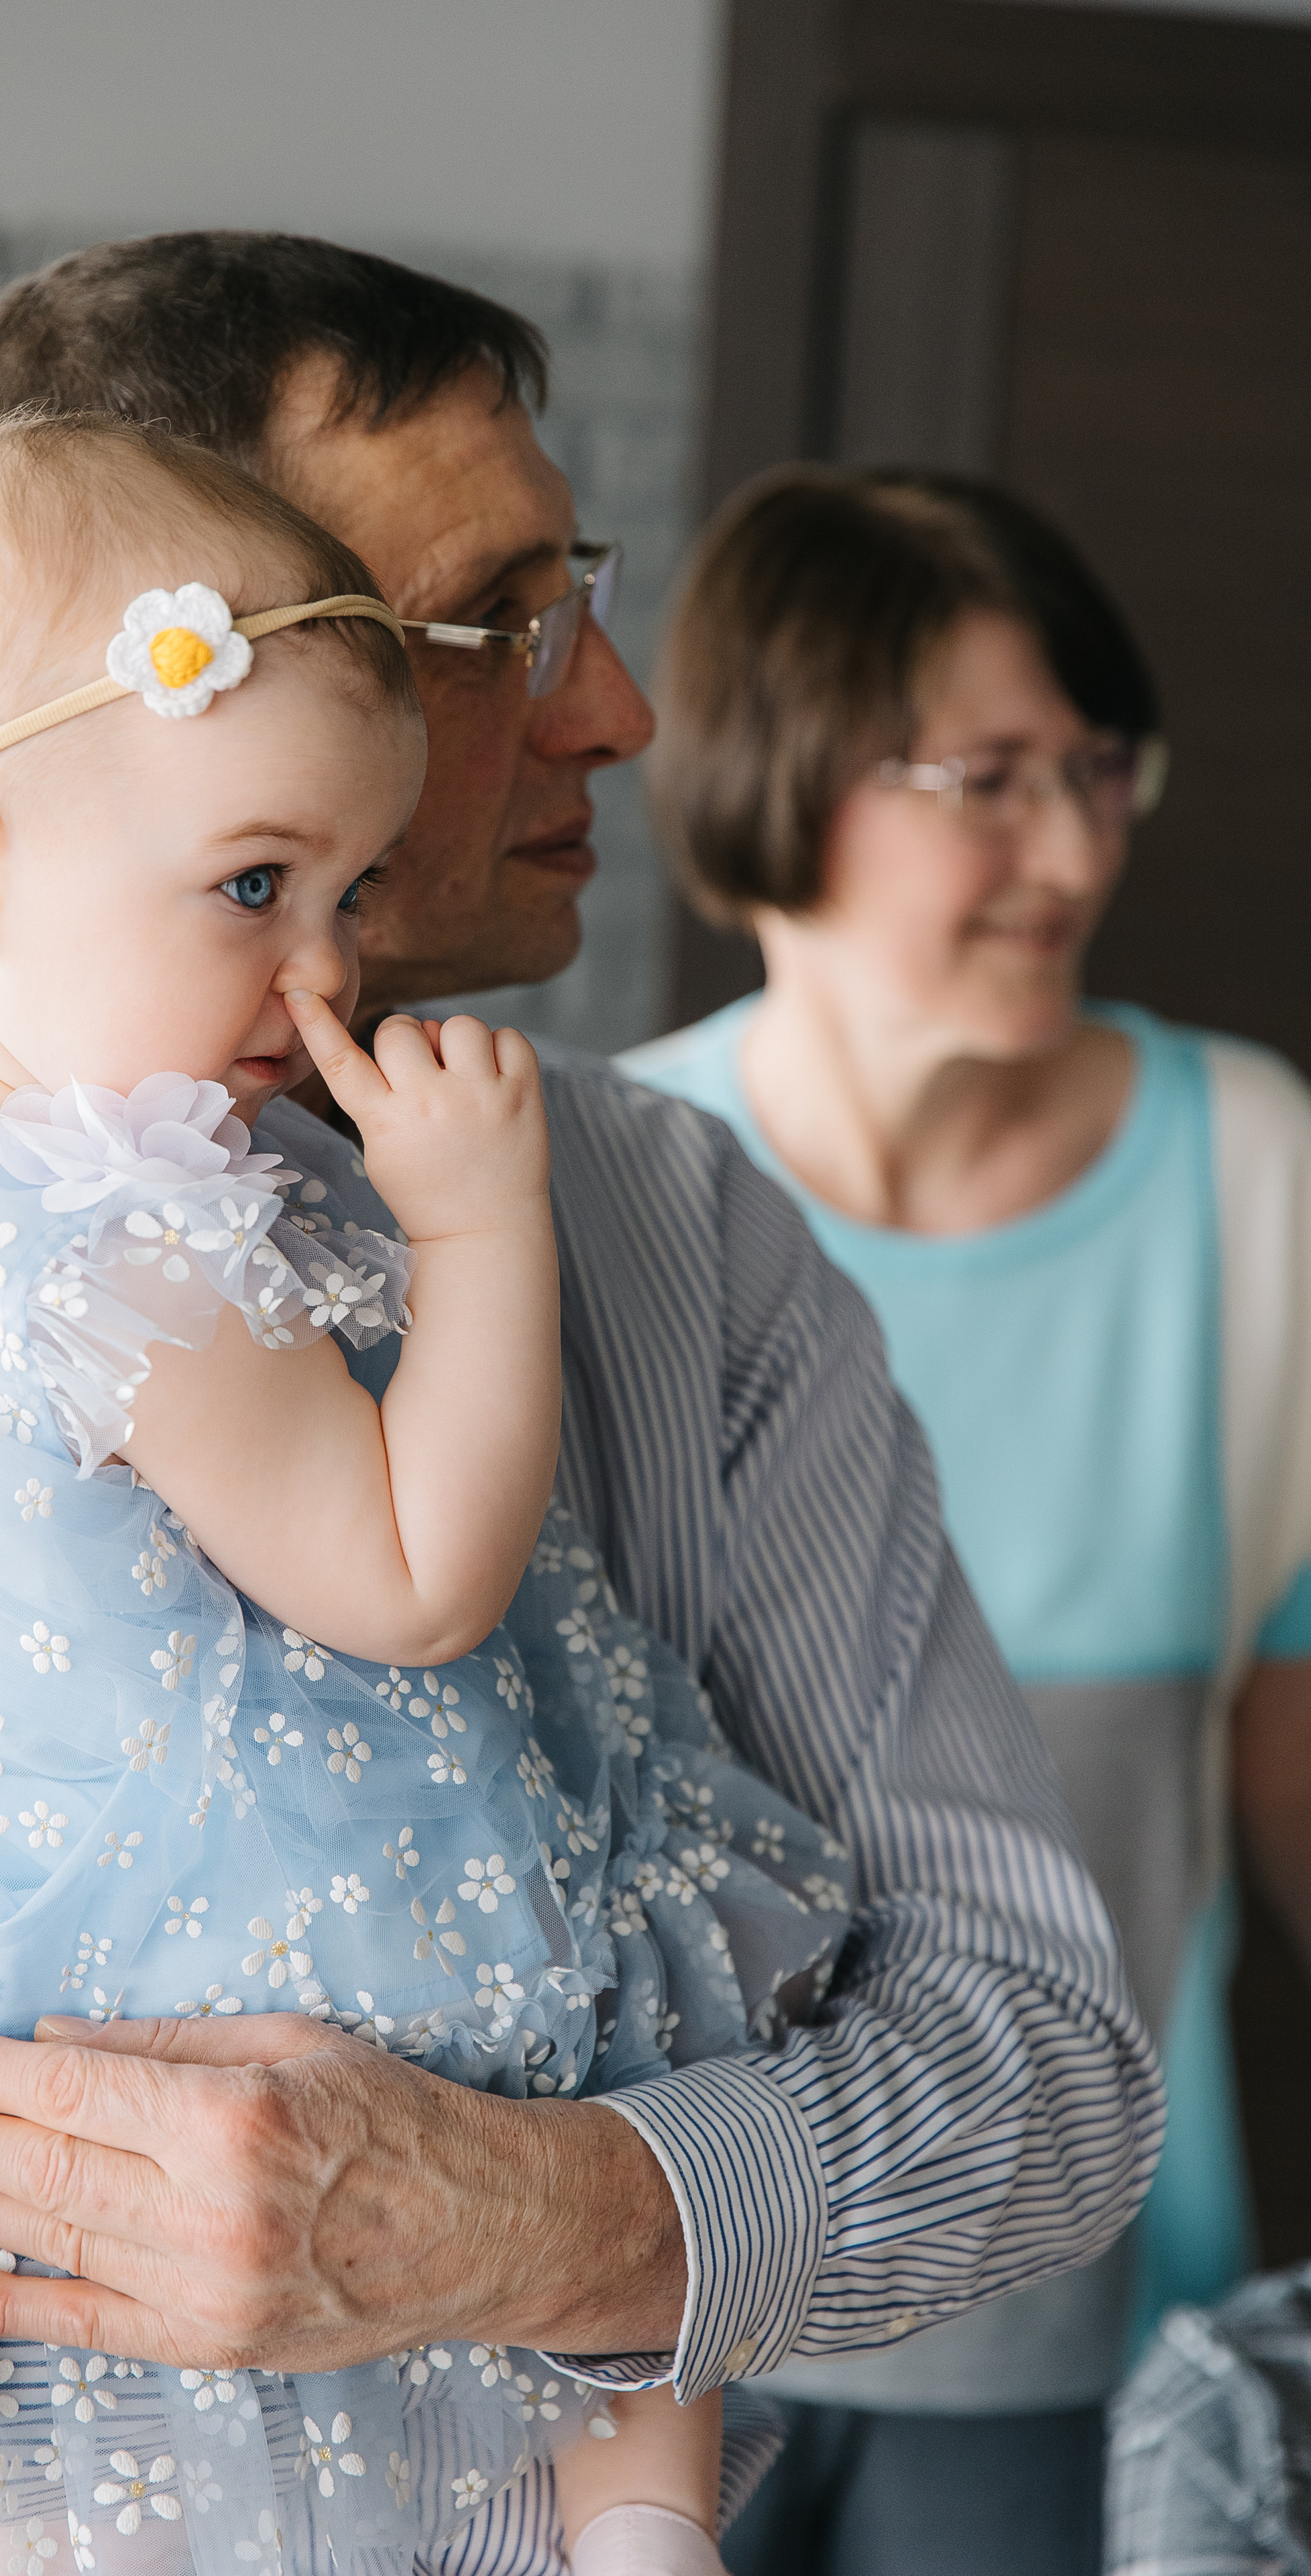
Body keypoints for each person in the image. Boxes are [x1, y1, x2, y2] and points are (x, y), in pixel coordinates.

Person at [0, 237, 1159, 2574]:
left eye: (581, 596)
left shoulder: (669, 1230)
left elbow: (1047, 2078)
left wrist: (568, 2212)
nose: (617, 710)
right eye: (488, 625)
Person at [622, 464, 1311, 2574]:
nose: (1076, 851)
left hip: (1078, 2328)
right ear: (783, 781)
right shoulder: (619, 1183)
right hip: (646, 2323)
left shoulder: (1252, 1168)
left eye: (1100, 773)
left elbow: (1285, 1732)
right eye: (988, 782)